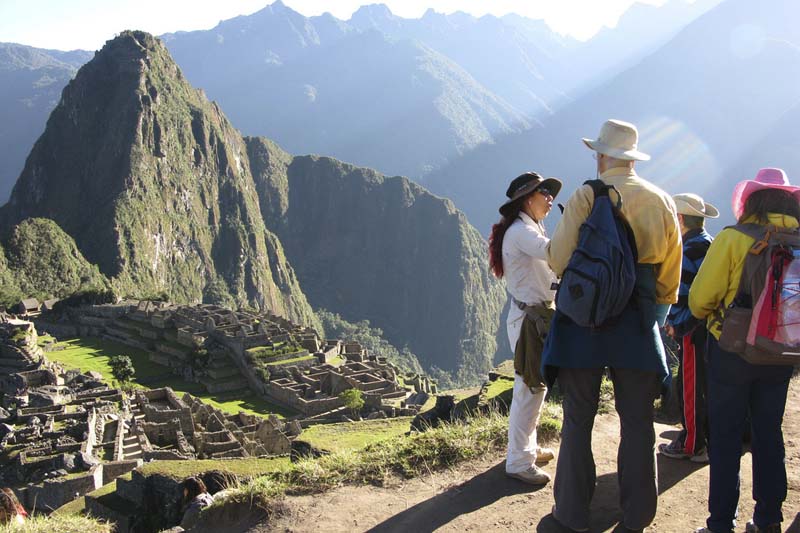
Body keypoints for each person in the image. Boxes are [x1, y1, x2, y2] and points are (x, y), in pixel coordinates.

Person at [543, 119, 681, 532]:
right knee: (637, 422)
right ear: (632, 157)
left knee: (578, 417)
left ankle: (570, 513)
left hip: (583, 320)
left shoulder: (588, 195)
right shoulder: (661, 201)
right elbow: (669, 278)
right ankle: (637, 515)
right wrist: (653, 318)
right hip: (637, 320)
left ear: (603, 155)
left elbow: (559, 258)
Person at [690, 168, 800, 533]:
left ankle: (721, 523)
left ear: (750, 200)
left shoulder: (734, 239)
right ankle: (768, 519)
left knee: (726, 436)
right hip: (782, 352)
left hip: (732, 351)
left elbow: (699, 301)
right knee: (769, 431)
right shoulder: (797, 241)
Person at [489, 171, 562, 485]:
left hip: (536, 318)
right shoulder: (522, 232)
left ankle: (526, 449)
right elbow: (554, 253)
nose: (549, 199)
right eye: (543, 193)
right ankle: (518, 461)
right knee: (528, 388)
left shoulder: (529, 228)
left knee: (535, 386)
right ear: (526, 199)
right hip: (529, 322)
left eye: (550, 193)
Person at [660, 193, 718, 463]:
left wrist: (676, 325)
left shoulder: (690, 249)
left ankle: (693, 444)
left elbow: (685, 295)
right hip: (710, 329)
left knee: (691, 386)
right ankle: (697, 434)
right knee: (701, 384)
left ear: (680, 218)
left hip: (693, 330)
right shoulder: (709, 244)